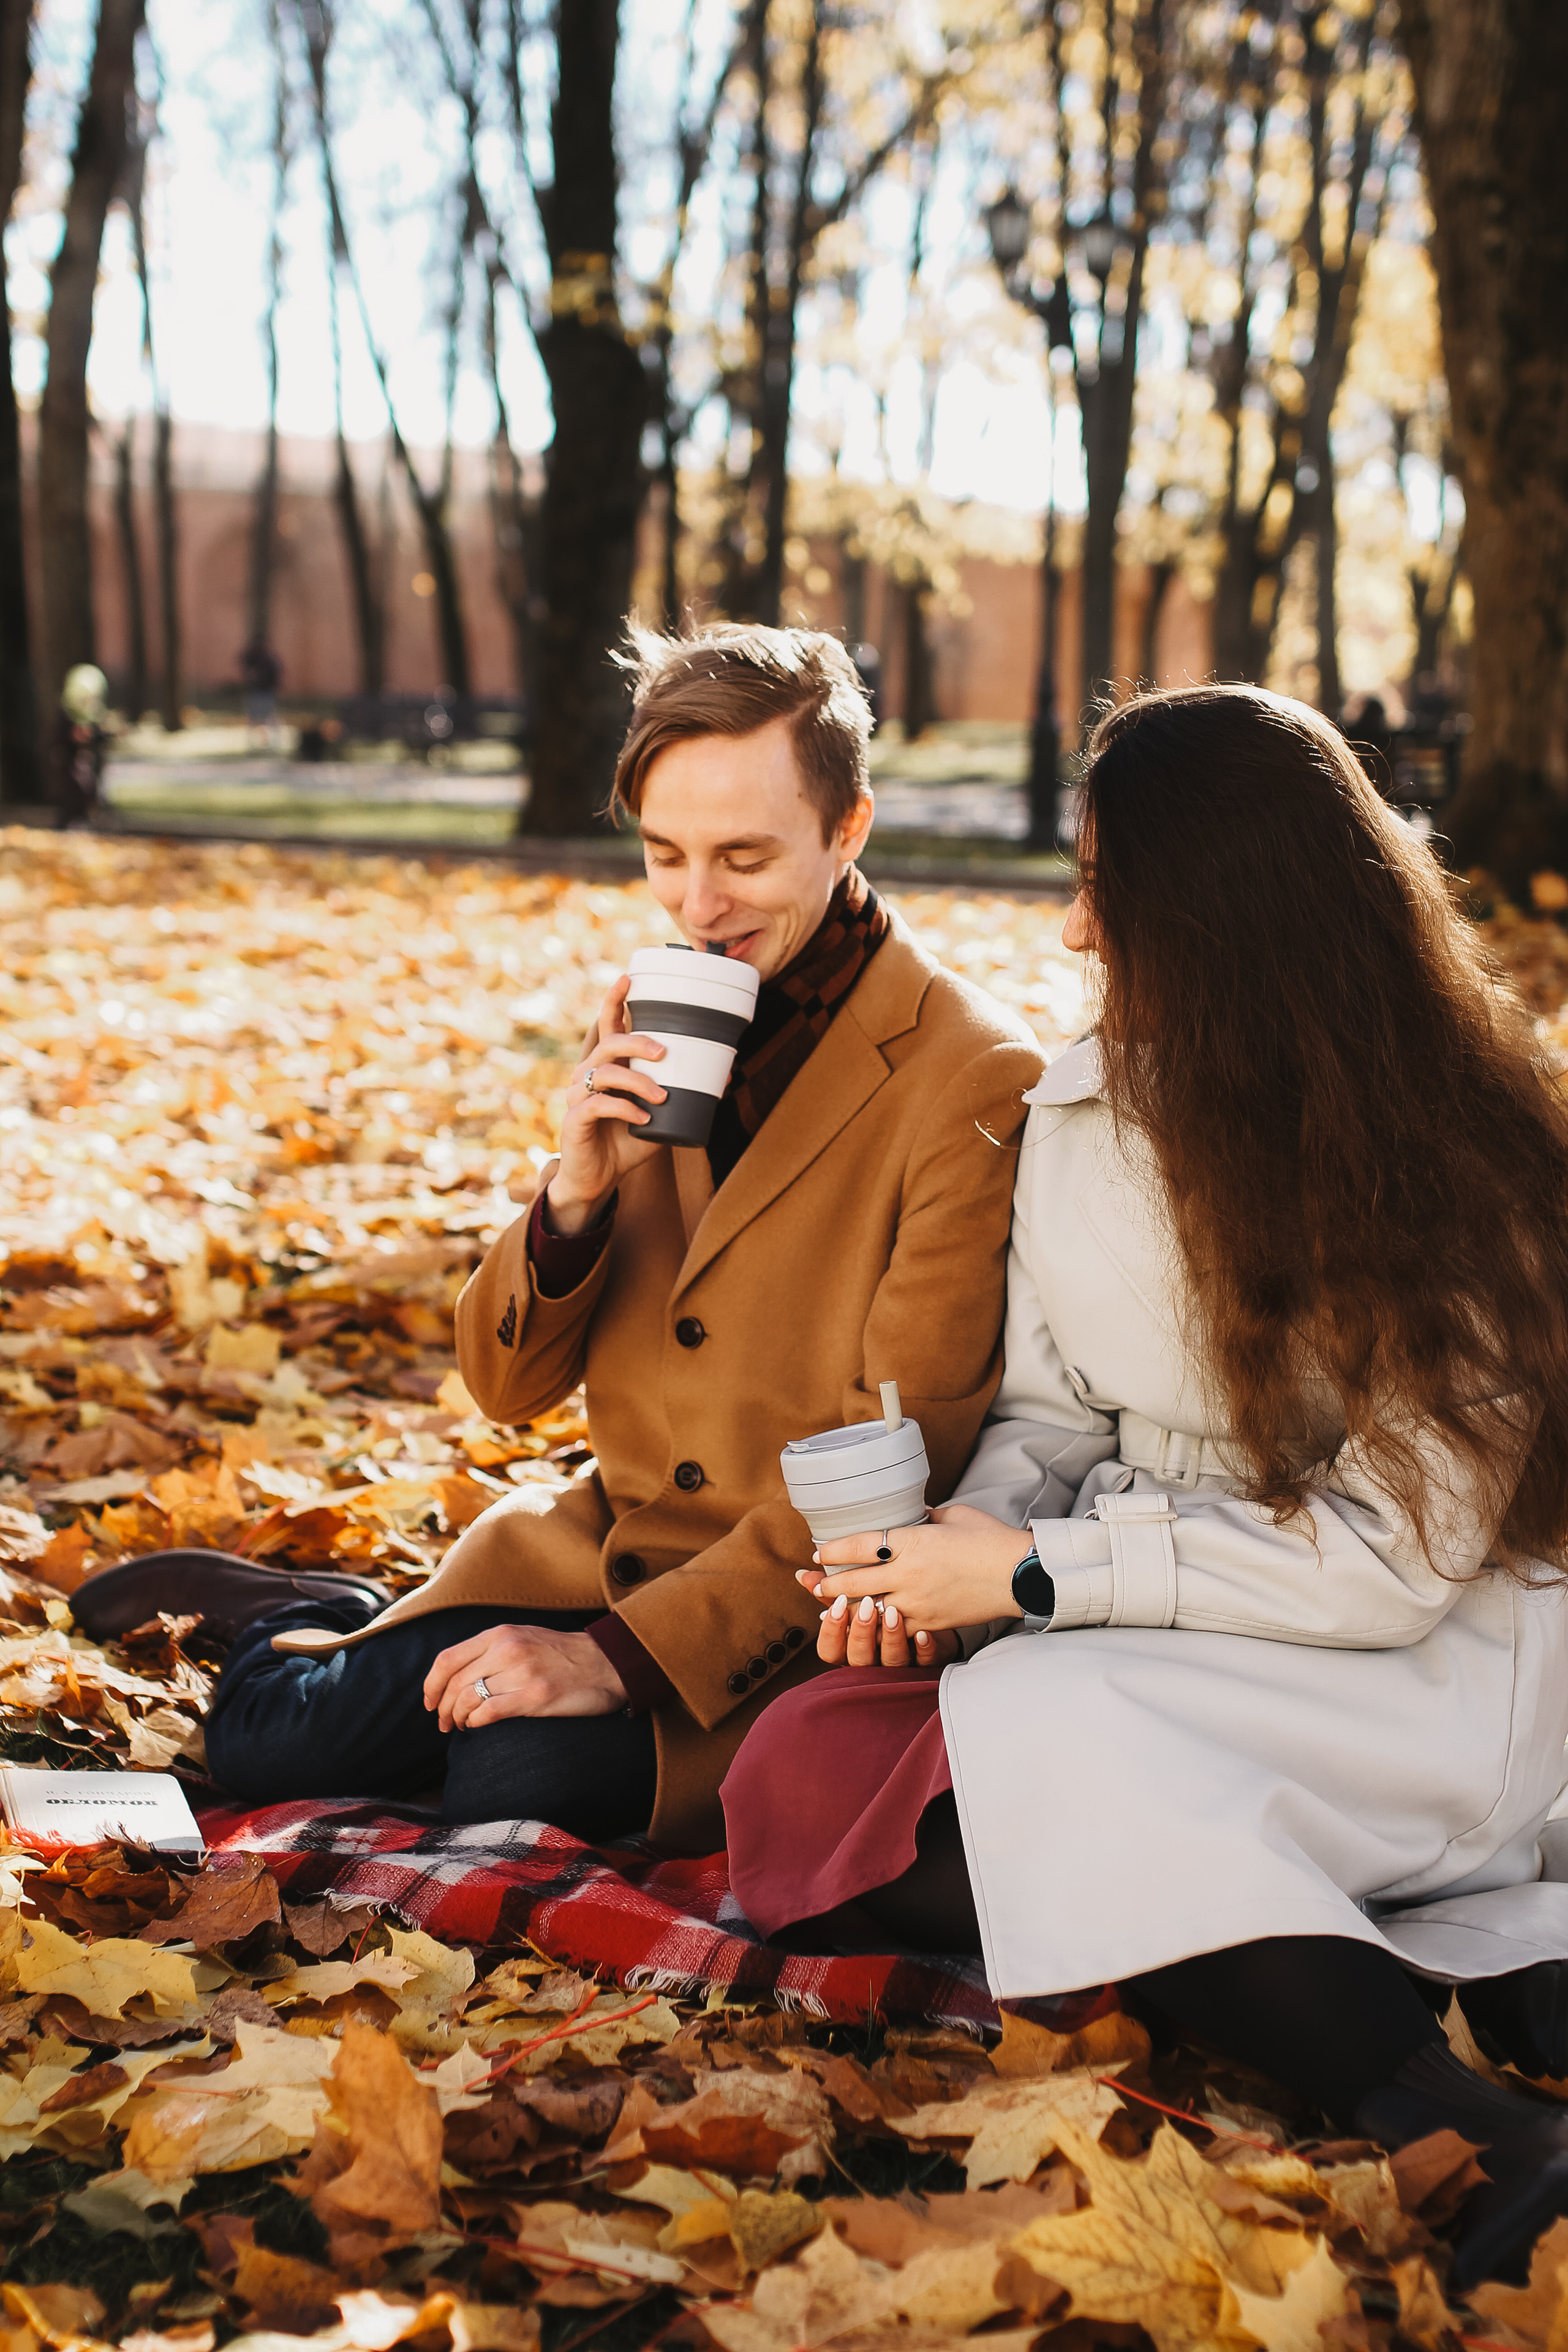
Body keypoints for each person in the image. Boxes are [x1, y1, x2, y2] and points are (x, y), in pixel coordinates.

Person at [722, 682, 1568, 2288]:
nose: (1075, 934)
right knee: (817, 1779)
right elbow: (1055, 1410)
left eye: (1105, 883)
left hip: (1425, 1662)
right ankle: (1444, 1967)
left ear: (1221, 908)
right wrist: (968, 1543)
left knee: (1056, 1740)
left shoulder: (1461, 1158)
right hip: (1157, 1617)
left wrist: (1044, 1584)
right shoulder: (1086, 1103)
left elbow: (1389, 1562)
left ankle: (1442, 2106)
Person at [78, 624, 1040, 1852]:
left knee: (507, 1785)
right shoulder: (666, 1014)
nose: (700, 905)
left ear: (848, 828)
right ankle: (315, 1613)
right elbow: (502, 1384)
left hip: (780, 1623)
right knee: (263, 1740)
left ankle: (376, 1635)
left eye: (745, 856)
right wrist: (573, 1193)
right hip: (590, 1552)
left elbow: (895, 1457)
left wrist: (610, 1662)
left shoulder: (972, 1075)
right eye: (664, 854)